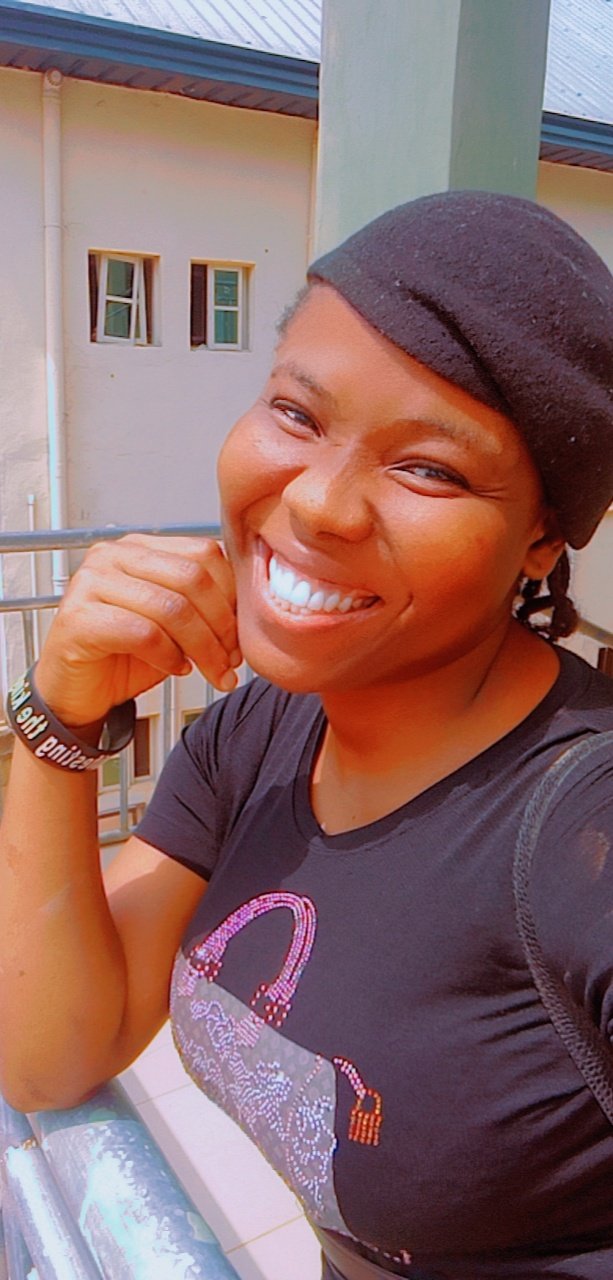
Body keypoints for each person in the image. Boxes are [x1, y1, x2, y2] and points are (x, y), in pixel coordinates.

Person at [1, 190, 613, 1280]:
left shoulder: (584, 830)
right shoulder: (261, 732)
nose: (322, 503)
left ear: (538, 537)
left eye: (427, 467)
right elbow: (48, 1055)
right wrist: (60, 715)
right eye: (295, 413)